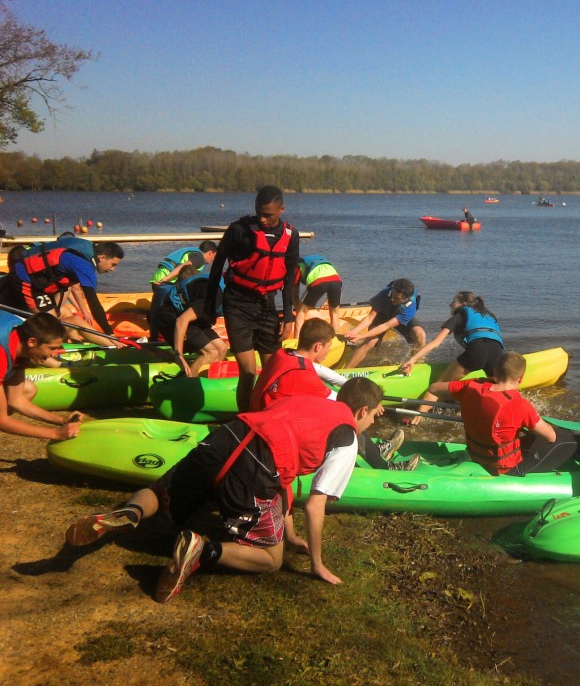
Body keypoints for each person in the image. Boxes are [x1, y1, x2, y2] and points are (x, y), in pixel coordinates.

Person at [64, 378, 385, 598]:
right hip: (258, 468)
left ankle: (129, 511)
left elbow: (284, 486)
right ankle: (201, 550)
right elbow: (315, 506)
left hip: (228, 437)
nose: (371, 423)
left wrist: (288, 531)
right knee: (271, 559)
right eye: (372, 417)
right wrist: (317, 562)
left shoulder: (306, 402)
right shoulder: (347, 436)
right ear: (360, 411)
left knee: (163, 489)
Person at [429, 350, 580, 476]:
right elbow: (550, 437)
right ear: (520, 379)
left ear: (494, 373)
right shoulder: (520, 406)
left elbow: (434, 389)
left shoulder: (471, 387)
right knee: (576, 440)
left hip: (478, 455)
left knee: (535, 434)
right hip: (506, 468)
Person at [252, 318, 418, 471]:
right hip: (275, 435)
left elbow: (322, 371)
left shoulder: (286, 354)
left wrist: (365, 390)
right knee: (348, 419)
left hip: (270, 418)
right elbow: (344, 403)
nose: (329, 350)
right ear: (318, 346)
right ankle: (386, 467)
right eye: (328, 346)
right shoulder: (304, 378)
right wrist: (371, 402)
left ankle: (375, 450)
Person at [202, 185, 300, 413]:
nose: (263, 219)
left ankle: (269, 416)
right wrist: (209, 306)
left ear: (282, 210)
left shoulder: (291, 236)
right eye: (260, 213)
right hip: (237, 304)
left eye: (269, 214)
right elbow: (217, 266)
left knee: (272, 372)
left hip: (267, 306)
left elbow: (289, 278)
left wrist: (288, 316)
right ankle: (245, 420)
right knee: (247, 372)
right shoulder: (238, 230)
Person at [399, 291, 504, 426]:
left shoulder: (460, 315)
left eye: (454, 301)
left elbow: (436, 342)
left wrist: (413, 359)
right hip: (498, 353)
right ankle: (498, 418)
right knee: (498, 388)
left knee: (436, 387)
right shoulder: (489, 316)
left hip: (477, 352)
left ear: (463, 304)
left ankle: (416, 420)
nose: (450, 305)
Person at [3, 236, 124, 346]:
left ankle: (76, 342)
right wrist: (109, 333)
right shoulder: (83, 265)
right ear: (101, 257)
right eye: (113, 264)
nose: (113, 269)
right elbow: (94, 303)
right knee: (52, 327)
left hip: (35, 280)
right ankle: (113, 344)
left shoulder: (86, 247)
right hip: (25, 279)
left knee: (65, 312)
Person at [0, 311, 83, 440]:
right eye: (52, 348)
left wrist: (62, 420)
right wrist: (56, 434)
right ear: (32, 342)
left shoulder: (24, 336)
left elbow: (16, 401)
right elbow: (2, 420)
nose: (55, 355)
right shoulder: (1, 352)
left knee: (28, 389)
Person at [148, 265, 227, 376]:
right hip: (170, 318)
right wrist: (178, 354)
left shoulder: (225, 292)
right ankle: (190, 383)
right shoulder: (214, 296)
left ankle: (209, 380)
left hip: (191, 316)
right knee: (210, 352)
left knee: (222, 348)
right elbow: (181, 320)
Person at [342, 278, 426, 369]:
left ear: (406, 298)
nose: (392, 299)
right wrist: (354, 332)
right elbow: (370, 318)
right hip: (383, 315)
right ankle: (346, 372)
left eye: (397, 298)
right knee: (371, 342)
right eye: (392, 295)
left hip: (399, 318)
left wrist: (361, 336)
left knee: (420, 335)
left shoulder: (409, 309)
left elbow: (386, 326)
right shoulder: (384, 294)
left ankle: (415, 365)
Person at [293, 254, 343, 335]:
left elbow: (295, 296)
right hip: (336, 281)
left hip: (319, 282)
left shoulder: (297, 267)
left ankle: (297, 341)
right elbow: (331, 280)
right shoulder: (322, 261)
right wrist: (327, 301)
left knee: (301, 313)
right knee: (335, 314)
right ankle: (335, 339)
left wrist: (299, 310)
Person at [149, 241, 218, 289]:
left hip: (157, 278)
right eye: (214, 256)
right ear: (210, 253)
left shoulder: (194, 252)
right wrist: (165, 279)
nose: (213, 259)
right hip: (165, 281)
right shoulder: (200, 259)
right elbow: (183, 266)